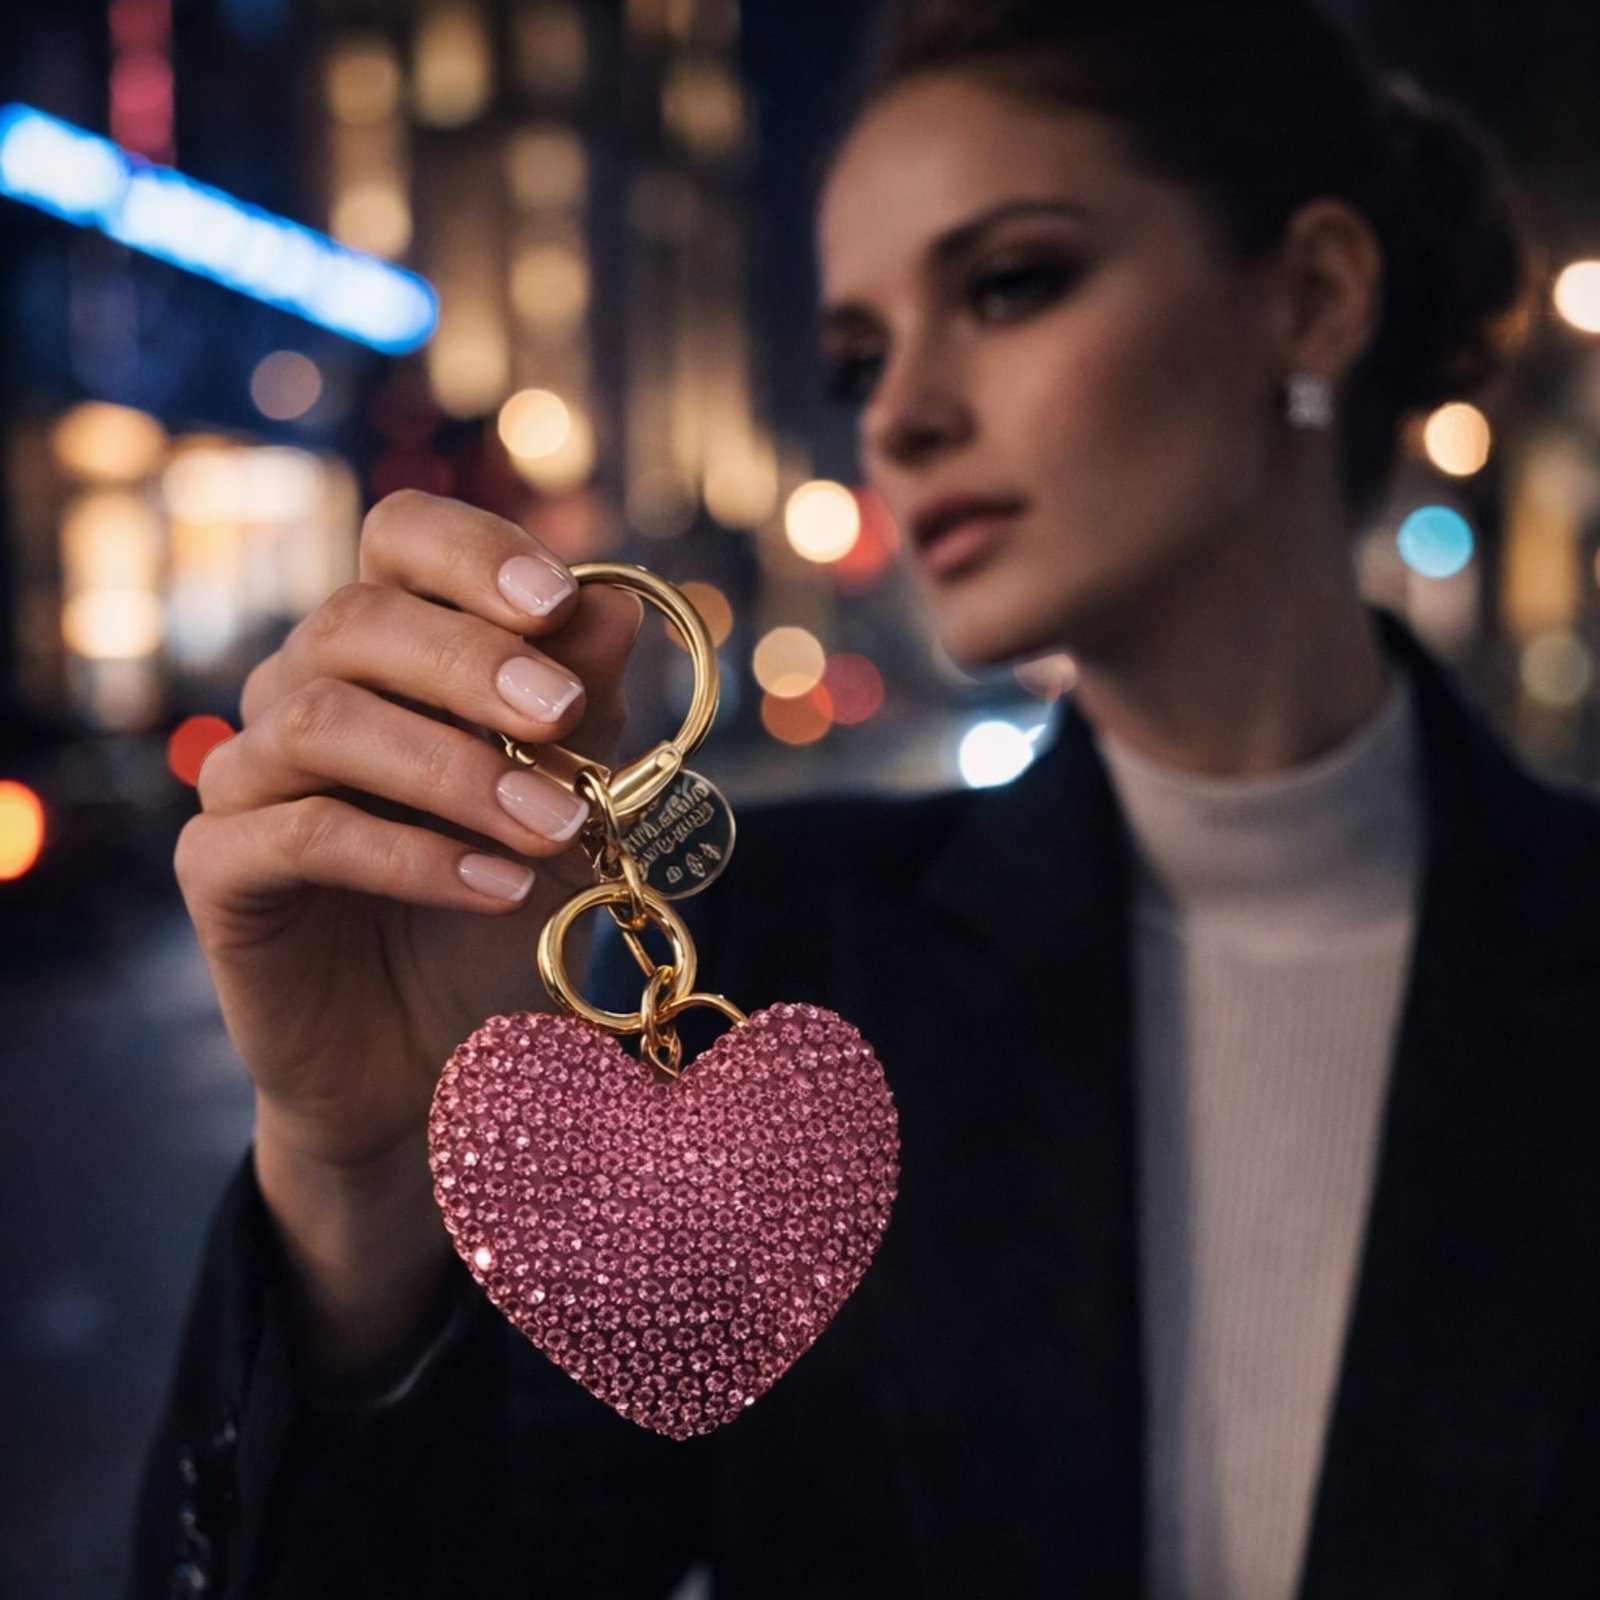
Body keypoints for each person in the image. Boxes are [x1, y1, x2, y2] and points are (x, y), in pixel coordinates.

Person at [130, 1, 1600, 1596]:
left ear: (1311, 297)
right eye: (858, 352)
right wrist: (356, 1191)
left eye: (1011, 283)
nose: (898, 415)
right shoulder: (771, 949)